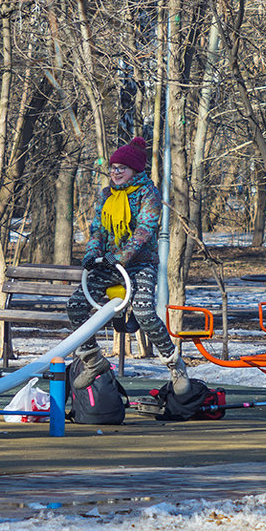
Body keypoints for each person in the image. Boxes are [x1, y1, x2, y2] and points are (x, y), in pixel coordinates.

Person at [67, 136, 190, 394]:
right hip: (108, 264)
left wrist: (121, 258)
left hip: (138, 264)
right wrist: (92, 254)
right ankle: (93, 361)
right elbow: (98, 230)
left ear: (135, 170)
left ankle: (174, 364)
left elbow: (144, 231)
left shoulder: (149, 194)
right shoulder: (106, 195)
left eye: (122, 168)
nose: (116, 172)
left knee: (144, 312)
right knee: (76, 306)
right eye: (113, 168)